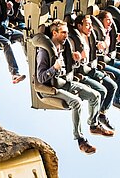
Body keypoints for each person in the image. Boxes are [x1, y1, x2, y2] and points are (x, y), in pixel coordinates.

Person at [36, 19, 113, 155]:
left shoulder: (63, 47)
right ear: (54, 33)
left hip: (64, 82)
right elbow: (41, 78)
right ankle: (80, 140)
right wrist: (54, 68)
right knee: (76, 102)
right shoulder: (44, 52)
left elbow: (67, 69)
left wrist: (76, 60)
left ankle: (93, 125)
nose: (66, 35)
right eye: (63, 33)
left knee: (96, 95)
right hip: (51, 88)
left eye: (67, 32)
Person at [70, 14, 118, 130]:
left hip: (92, 69)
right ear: (79, 26)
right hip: (81, 73)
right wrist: (75, 57)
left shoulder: (90, 36)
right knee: (102, 91)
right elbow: (67, 58)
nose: (91, 27)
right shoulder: (72, 40)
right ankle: (93, 124)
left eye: (91, 25)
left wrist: (101, 45)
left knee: (112, 86)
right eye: (87, 25)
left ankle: (102, 114)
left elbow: (97, 48)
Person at [95, 11, 120, 111]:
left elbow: (109, 47)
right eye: (108, 20)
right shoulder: (96, 32)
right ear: (101, 20)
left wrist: (117, 40)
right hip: (101, 62)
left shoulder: (109, 31)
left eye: (111, 20)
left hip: (109, 59)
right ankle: (116, 101)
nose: (110, 22)